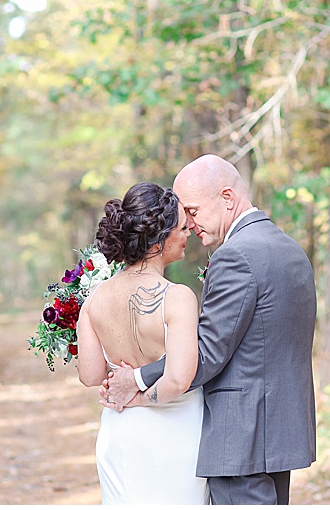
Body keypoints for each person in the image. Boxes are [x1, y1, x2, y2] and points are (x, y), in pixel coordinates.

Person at [102, 154, 317, 505]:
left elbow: (206, 352)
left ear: (228, 197)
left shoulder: (236, 256)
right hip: (280, 432)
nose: (187, 224)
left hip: (241, 439)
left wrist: (138, 379)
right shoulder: (289, 249)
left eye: (194, 210)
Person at [76, 182, 210, 504]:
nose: (189, 230)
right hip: (175, 435)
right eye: (181, 227)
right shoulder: (177, 298)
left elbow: (91, 375)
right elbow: (178, 379)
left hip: (119, 432)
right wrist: (141, 398)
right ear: (158, 240)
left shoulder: (93, 299)